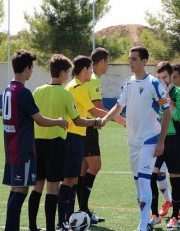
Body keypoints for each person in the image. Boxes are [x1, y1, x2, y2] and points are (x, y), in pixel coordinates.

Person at [101, 46, 171, 231]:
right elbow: (118, 107)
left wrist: (161, 141)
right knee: (138, 185)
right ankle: (147, 220)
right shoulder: (128, 83)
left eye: (133, 59)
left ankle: (142, 226)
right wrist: (105, 119)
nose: (129, 62)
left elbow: (167, 112)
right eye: (129, 58)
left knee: (143, 180)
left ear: (144, 61)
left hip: (150, 140)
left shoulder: (155, 84)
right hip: (133, 141)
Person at [27, 54, 100, 231]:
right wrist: (96, 121)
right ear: (61, 72)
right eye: (67, 71)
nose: (69, 75)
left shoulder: (37, 91)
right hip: (56, 144)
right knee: (53, 187)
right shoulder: (66, 94)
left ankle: (32, 226)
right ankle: (54, 226)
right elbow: (78, 121)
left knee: (37, 187)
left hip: (37, 143)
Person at [2, 50, 68, 231]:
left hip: (11, 147)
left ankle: (11, 227)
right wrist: (60, 122)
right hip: (22, 149)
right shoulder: (22, 92)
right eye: (31, 68)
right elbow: (39, 119)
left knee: (15, 190)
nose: (31, 72)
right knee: (21, 190)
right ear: (25, 69)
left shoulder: (8, 89)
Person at [57, 55, 115, 230]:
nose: (91, 72)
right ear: (84, 70)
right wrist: (113, 117)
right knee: (69, 181)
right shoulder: (78, 87)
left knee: (72, 180)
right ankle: (63, 221)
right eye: (90, 69)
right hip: (74, 137)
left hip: (75, 136)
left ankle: (68, 218)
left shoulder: (73, 86)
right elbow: (93, 110)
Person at [78, 48, 125, 223]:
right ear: (103, 62)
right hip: (88, 128)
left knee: (83, 169)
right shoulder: (94, 80)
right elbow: (99, 110)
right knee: (95, 166)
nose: (108, 66)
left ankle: (82, 210)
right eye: (108, 62)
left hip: (80, 127)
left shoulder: (87, 79)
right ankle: (83, 209)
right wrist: (122, 121)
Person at [149, 61, 180, 229]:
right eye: (158, 77)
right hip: (158, 139)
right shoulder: (156, 94)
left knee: (175, 180)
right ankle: (154, 215)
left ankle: (174, 217)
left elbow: (178, 116)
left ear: (171, 76)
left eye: (164, 77)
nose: (161, 80)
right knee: (151, 176)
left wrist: (167, 99)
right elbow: (152, 113)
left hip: (174, 141)